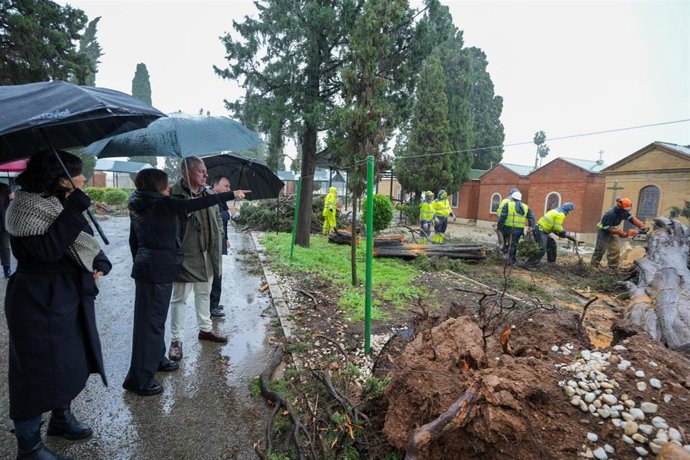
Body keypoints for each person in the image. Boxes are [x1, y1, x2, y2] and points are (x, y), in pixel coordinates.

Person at [4, 149, 111, 459]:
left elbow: (81, 241)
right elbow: (48, 251)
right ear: (61, 178)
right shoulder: (23, 208)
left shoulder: (57, 201)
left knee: (68, 362)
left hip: (66, 296)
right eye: (78, 173)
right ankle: (30, 446)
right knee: (34, 372)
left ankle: (61, 420)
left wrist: (99, 260)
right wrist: (73, 210)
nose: (83, 179)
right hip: (37, 300)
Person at [124, 169, 239, 396]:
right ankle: (139, 380)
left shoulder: (141, 202)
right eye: (165, 185)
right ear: (156, 187)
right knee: (149, 325)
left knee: (155, 321)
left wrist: (141, 262)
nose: (169, 188)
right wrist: (231, 194)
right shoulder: (160, 203)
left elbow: (134, 241)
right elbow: (200, 203)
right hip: (156, 269)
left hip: (153, 267)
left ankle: (157, 359)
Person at [168, 157, 246, 362]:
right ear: (186, 172)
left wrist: (221, 238)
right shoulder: (174, 194)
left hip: (207, 252)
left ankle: (205, 329)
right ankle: (176, 341)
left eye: (205, 171)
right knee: (180, 298)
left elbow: (219, 220)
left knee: (204, 294)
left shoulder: (209, 193)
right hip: (186, 255)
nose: (205, 175)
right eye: (200, 171)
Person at [591, 197, 648, 270]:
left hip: (613, 229)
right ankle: (593, 266)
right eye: (625, 210)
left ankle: (613, 267)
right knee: (600, 249)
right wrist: (621, 233)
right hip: (604, 230)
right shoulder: (610, 214)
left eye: (627, 209)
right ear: (619, 206)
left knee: (615, 249)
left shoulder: (623, 212)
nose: (626, 211)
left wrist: (641, 225)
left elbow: (631, 218)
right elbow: (606, 226)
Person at [521, 202, 576, 270]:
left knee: (552, 245)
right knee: (542, 249)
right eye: (570, 211)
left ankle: (551, 264)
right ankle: (529, 264)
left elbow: (552, 227)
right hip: (541, 230)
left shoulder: (555, 210)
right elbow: (557, 227)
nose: (569, 213)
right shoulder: (561, 214)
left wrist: (561, 234)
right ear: (568, 210)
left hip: (542, 230)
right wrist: (564, 233)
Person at [209, 175, 233, 318]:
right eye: (226, 186)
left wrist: (226, 238)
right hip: (213, 242)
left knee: (218, 274)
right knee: (215, 275)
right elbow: (215, 219)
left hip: (220, 239)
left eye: (229, 186)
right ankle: (212, 307)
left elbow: (222, 224)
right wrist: (230, 213)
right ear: (216, 185)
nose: (229, 189)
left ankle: (215, 303)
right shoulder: (210, 199)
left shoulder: (220, 199)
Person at [497, 190, 535, 266]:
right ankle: (512, 260)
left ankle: (506, 257)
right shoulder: (525, 207)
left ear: (512, 198)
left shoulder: (508, 205)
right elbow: (531, 217)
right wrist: (531, 227)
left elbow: (503, 216)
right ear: (520, 199)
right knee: (514, 244)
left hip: (507, 228)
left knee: (505, 242)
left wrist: (499, 226)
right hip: (519, 230)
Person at [495, 188, 519, 253]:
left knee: (503, 237)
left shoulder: (504, 200)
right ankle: (504, 249)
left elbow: (499, 212)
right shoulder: (510, 202)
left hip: (503, 221)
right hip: (506, 223)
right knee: (507, 239)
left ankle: (503, 248)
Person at [0, 182, 13, 277]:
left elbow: (10, 201)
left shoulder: (4, 188)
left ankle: (7, 268)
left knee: (5, 247)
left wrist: (11, 197)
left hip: (3, 221)